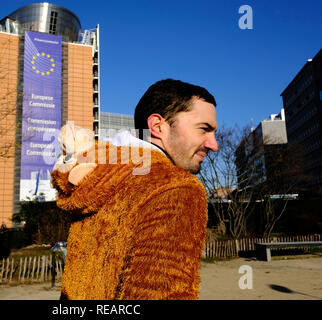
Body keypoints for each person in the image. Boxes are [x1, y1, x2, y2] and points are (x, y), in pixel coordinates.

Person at [51, 78, 218, 300]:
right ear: (157, 126)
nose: (214, 144)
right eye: (204, 129)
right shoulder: (176, 188)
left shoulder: (98, 176)